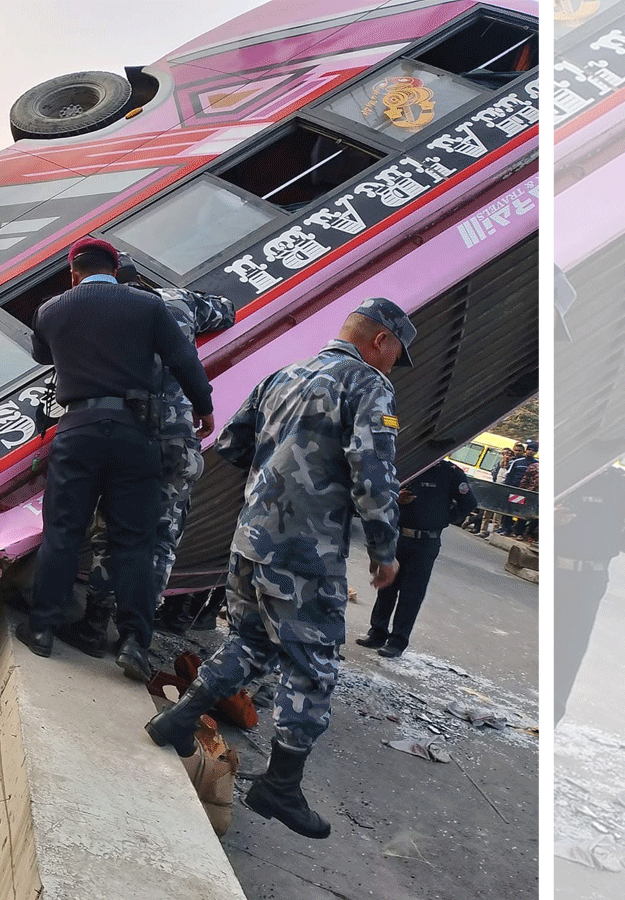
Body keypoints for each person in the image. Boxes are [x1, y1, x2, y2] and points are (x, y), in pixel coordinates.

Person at [145, 296, 414, 841]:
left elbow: (231, 443)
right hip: (305, 554)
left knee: (251, 644)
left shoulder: (283, 374)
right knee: (313, 664)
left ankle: (175, 720)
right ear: (380, 340)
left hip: (251, 539)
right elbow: (374, 471)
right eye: (395, 355)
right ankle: (281, 785)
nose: (392, 367)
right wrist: (385, 550)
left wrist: (277, 480)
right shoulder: (366, 385)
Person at [16, 236, 216, 684]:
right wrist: (203, 408)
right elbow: (184, 359)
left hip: (78, 430)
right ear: (116, 267)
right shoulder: (147, 307)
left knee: (64, 532)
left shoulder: (52, 310)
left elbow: (42, 354)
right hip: (135, 433)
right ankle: (133, 643)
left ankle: (43, 630)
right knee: (135, 542)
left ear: (73, 272)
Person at [64, 282, 238, 654]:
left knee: (112, 532)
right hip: (178, 442)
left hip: (126, 438)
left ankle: (94, 627)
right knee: (160, 542)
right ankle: (134, 641)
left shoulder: (99, 311)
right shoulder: (181, 299)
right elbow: (227, 309)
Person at [554, 466, 625, 722]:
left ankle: (552, 717)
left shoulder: (621, 483)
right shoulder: (564, 470)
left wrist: (611, 543)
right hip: (554, 570)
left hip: (588, 577)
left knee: (570, 648)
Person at [356, 458, 478, 657]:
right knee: (387, 586)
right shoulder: (411, 463)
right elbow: (382, 494)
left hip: (425, 542)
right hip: (399, 536)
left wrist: (443, 518)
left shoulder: (450, 472)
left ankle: (397, 641)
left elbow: (469, 503)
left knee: (411, 593)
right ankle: (377, 632)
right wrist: (397, 499)